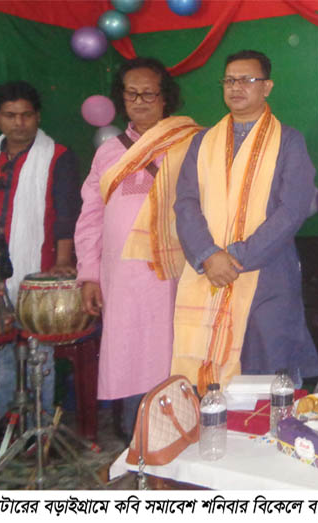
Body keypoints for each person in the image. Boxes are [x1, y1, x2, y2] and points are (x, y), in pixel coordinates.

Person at [173, 50, 318, 392]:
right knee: (206, 378)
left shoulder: (289, 141)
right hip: (207, 271)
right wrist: (208, 255)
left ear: (266, 87)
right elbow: (186, 203)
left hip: (267, 274)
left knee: (266, 375)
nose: (236, 87)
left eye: (246, 80)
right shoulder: (202, 143)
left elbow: (292, 210)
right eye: (229, 80)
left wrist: (236, 257)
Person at [75, 57, 201, 440]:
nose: (140, 101)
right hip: (123, 276)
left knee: (175, 349)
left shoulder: (191, 142)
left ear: (165, 98)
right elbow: (91, 216)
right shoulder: (108, 153)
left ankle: (179, 436)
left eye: (149, 93)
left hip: (177, 273)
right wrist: (89, 274)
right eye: (132, 94)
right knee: (130, 351)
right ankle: (137, 438)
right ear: (122, 98)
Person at [0, 81, 81, 420]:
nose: (19, 123)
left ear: (37, 116)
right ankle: (7, 431)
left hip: (38, 273)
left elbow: (67, 213)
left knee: (37, 356)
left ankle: (38, 433)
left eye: (26, 115)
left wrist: (62, 261)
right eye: (10, 115)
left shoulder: (58, 157)